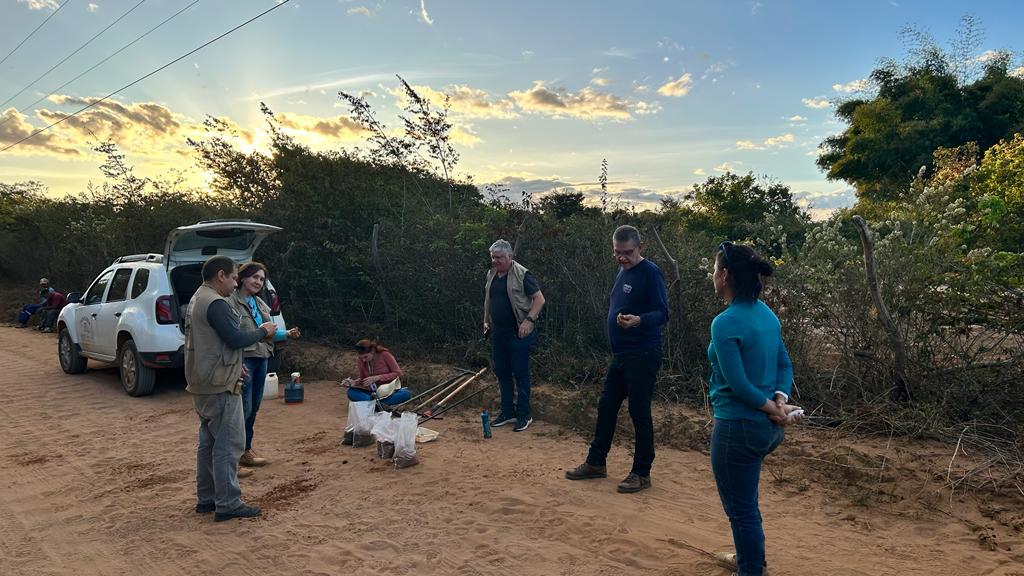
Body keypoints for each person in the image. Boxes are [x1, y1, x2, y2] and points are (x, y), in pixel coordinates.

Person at [706, 241, 801, 576]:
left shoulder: (725, 322)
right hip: (766, 429)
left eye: (715, 269)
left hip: (738, 428)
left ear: (726, 274)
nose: (712, 275)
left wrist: (770, 407)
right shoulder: (767, 315)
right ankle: (749, 558)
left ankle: (751, 568)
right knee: (746, 503)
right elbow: (784, 364)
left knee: (741, 510)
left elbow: (738, 383)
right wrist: (779, 401)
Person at [565, 225, 668, 493]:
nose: (622, 258)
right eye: (617, 253)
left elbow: (662, 313)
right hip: (621, 355)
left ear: (640, 248)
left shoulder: (651, 273)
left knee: (639, 411)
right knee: (606, 406)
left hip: (643, 353)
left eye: (627, 252)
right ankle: (596, 463)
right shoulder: (622, 270)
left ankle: (641, 472)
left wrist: (639, 320)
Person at [184, 255, 276, 522]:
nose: (236, 283)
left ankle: (208, 498)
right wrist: (263, 331)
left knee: (208, 442)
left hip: (202, 379)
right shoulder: (216, 303)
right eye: (235, 277)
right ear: (221, 275)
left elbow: (213, 341)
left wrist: (235, 364)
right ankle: (228, 503)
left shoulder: (197, 299)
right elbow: (235, 338)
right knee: (229, 444)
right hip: (219, 384)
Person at [230, 262, 300, 472]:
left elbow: (267, 332)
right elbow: (231, 335)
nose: (258, 282)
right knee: (242, 409)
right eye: (254, 277)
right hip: (245, 358)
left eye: (261, 279)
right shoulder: (230, 302)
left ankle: (245, 451)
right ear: (242, 277)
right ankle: (232, 458)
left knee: (253, 408)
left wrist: (286, 334)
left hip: (261, 357)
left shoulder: (258, 302)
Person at [483, 239, 545, 432]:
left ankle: (524, 414)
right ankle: (507, 411)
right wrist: (485, 320)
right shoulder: (492, 274)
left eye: (499, 257)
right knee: (502, 372)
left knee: (520, 373)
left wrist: (529, 321)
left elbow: (539, 299)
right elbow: (488, 299)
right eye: (493, 257)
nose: (495, 261)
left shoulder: (522, 274)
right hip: (498, 333)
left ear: (510, 257)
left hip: (518, 332)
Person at [341, 339, 411, 445]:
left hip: (387, 390)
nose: (364, 360)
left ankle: (373, 405)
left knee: (406, 393)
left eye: (366, 357)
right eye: (361, 358)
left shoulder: (385, 355)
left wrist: (378, 377)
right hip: (370, 392)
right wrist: (353, 383)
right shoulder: (361, 360)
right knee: (351, 392)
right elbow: (362, 378)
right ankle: (377, 405)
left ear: (372, 352)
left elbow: (398, 373)